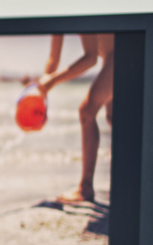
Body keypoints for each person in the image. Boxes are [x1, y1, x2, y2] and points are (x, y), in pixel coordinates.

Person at [35, 33, 114, 203]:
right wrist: (41, 103)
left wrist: (51, 82)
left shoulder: (79, 8)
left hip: (122, 54)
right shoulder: (57, 15)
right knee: (113, 118)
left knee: (87, 112)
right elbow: (53, 60)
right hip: (111, 58)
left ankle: (85, 187)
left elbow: (90, 58)